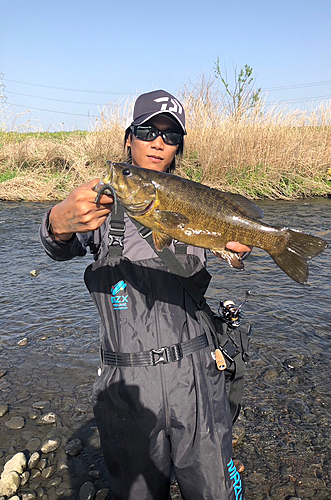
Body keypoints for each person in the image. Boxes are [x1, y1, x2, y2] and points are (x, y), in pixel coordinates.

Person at [39, 89, 251, 500]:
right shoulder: (102, 204)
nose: (158, 142)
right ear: (129, 139)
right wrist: (58, 219)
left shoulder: (196, 200)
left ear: (178, 149)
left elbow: (226, 240)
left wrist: (233, 249)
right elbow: (57, 246)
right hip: (128, 386)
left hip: (196, 378)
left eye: (170, 137)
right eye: (147, 131)